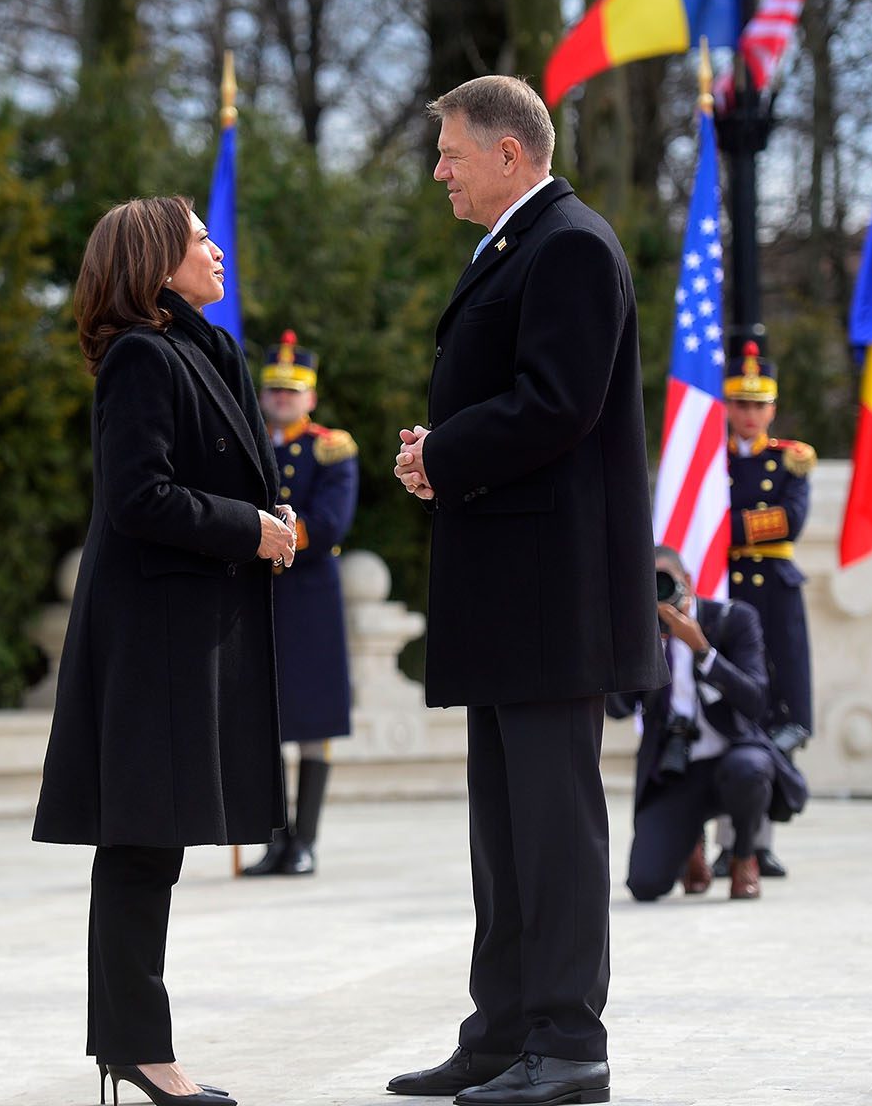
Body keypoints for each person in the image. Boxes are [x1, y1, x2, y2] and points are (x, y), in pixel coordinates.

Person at [388, 75, 665, 1106]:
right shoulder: (525, 244)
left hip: (556, 599)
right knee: (503, 836)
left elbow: (557, 403)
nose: (440, 172)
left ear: (511, 152)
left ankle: (569, 1045)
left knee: (552, 834)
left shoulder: (573, 245)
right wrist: (440, 454)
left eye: (452, 153)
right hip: (513, 594)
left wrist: (445, 452)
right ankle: (502, 1033)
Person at [32, 196, 297, 1106]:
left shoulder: (203, 347)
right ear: (155, 263)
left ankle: (133, 1047)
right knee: (141, 846)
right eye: (198, 240)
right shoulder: (143, 356)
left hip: (186, 634)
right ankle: (141, 1051)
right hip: (149, 642)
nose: (218, 249)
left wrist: (275, 518)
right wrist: (246, 529)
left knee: (152, 847)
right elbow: (140, 497)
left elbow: (223, 476)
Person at [242, 330, 359, 878]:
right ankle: (273, 841)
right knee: (261, 723)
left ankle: (305, 841)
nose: (283, 398)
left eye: (294, 390)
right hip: (257, 594)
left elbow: (333, 520)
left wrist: (282, 536)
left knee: (312, 721)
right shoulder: (248, 443)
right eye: (275, 389)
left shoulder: (330, 447)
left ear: (311, 396)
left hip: (309, 597)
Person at [610, 546, 780, 901]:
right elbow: (618, 709)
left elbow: (755, 699)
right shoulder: (643, 638)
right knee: (645, 884)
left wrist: (702, 650)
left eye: (664, 581)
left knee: (749, 769)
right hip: (676, 773)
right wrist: (627, 649)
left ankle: (743, 854)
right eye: (647, 586)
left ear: (686, 581)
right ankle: (690, 847)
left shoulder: (732, 619)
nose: (657, 594)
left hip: (731, 760)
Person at [719, 341, 816, 879]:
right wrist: (755, 523)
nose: (749, 414)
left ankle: (761, 841)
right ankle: (726, 841)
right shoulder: (708, 459)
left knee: (779, 711)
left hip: (775, 594)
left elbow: (791, 522)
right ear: (727, 406)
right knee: (727, 711)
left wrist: (730, 528)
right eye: (740, 403)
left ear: (773, 409)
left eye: (759, 404)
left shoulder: (791, 459)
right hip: (728, 591)